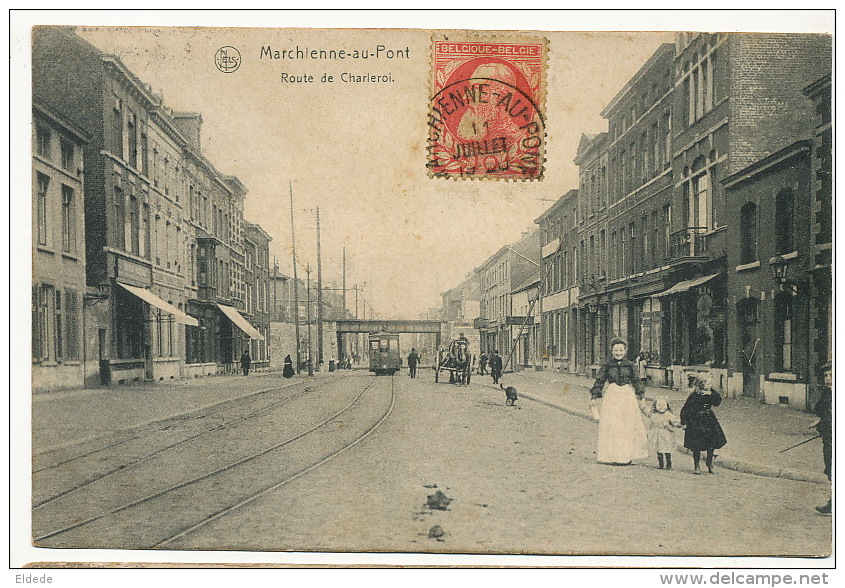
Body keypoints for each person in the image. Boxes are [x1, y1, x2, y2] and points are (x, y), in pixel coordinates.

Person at [589, 338, 649, 465]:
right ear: (612, 351)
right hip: (613, 395)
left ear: (625, 351)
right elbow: (599, 380)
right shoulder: (607, 365)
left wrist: (641, 395)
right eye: (616, 350)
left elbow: (637, 380)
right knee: (613, 425)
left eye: (621, 350)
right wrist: (594, 397)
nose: (618, 353)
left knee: (627, 425)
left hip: (627, 396)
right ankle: (612, 456)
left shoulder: (630, 365)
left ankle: (626, 456)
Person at [680, 374, 727, 474]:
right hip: (696, 421)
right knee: (696, 445)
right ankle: (697, 465)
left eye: (711, 383)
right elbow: (686, 409)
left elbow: (717, 403)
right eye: (708, 383)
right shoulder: (694, 396)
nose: (710, 385)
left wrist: (713, 392)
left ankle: (709, 462)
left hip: (709, 419)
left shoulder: (710, 394)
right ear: (701, 384)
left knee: (711, 443)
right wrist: (684, 421)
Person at [642, 396, 682, 470]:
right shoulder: (653, 414)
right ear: (655, 406)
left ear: (667, 405)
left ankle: (669, 464)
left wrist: (681, 424)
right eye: (659, 405)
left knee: (667, 450)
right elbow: (646, 412)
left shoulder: (669, 415)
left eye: (664, 405)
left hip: (666, 435)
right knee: (659, 449)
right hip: (657, 435)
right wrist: (642, 404)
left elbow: (675, 422)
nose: (661, 407)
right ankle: (661, 464)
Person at [814, 363, 832, 514]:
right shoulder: (827, 393)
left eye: (831, 375)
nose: (828, 379)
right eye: (826, 376)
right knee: (831, 469)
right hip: (829, 437)